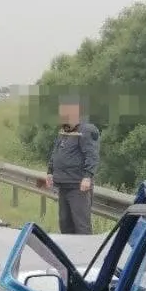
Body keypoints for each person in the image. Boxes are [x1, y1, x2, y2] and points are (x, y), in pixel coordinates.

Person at [46, 98, 100, 234]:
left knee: (81, 225)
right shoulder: (64, 130)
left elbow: (91, 155)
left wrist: (87, 177)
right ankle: (68, 253)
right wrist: (50, 171)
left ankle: (85, 254)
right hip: (63, 185)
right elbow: (55, 152)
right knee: (65, 224)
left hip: (78, 186)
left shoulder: (86, 130)